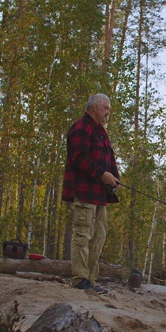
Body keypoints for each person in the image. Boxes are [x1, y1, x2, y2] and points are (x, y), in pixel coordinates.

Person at [62, 93, 120, 295]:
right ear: (95, 107)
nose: (107, 113)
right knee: (82, 235)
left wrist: (115, 178)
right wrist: (102, 174)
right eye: (106, 109)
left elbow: (109, 159)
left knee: (98, 237)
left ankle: (91, 280)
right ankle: (80, 280)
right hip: (84, 192)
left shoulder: (101, 132)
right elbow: (79, 158)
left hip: (100, 195)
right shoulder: (81, 127)